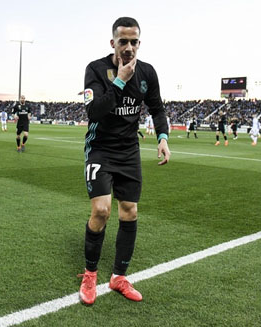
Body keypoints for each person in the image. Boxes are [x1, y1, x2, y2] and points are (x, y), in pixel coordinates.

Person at [78, 17, 170, 306]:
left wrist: (163, 138)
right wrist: (120, 81)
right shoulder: (95, 69)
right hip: (100, 148)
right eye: (123, 42)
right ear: (113, 43)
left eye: (134, 42)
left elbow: (157, 108)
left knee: (129, 211)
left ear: (139, 43)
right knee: (102, 211)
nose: (129, 47)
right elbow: (94, 111)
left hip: (129, 151)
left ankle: (119, 276)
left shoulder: (148, 72)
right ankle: (90, 274)